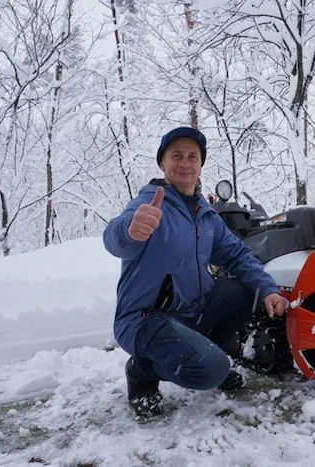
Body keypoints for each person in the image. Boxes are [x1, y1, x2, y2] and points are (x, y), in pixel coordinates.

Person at [102, 126, 287, 418]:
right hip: (144, 320)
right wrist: (128, 231)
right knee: (210, 371)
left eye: (193, 156)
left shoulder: (204, 213)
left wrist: (268, 289)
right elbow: (113, 237)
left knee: (243, 290)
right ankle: (142, 371)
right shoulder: (149, 204)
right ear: (162, 163)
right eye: (176, 155)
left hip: (190, 313)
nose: (185, 163)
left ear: (201, 165)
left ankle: (207, 353)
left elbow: (237, 255)